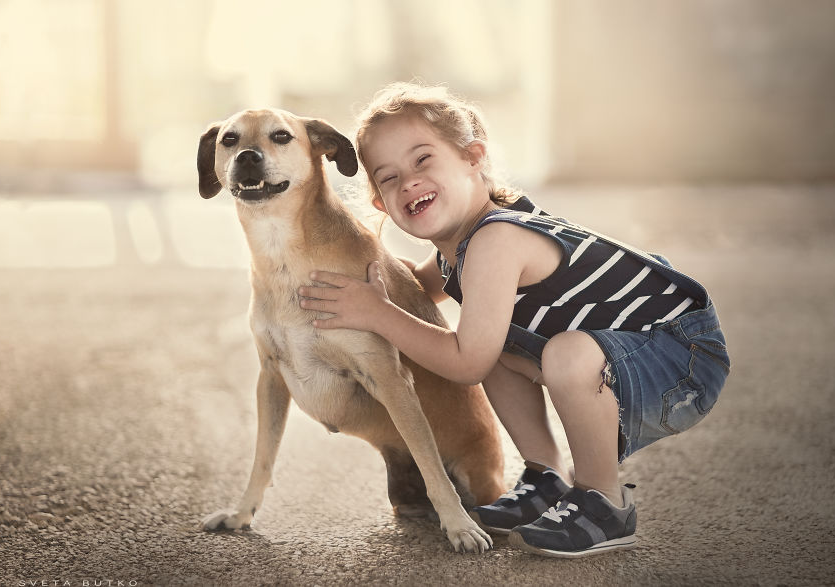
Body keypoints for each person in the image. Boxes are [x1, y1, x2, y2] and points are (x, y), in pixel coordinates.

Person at [298, 82, 730, 558]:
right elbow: (413, 288)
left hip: (679, 358)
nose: (408, 182)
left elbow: (466, 365)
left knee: (550, 353)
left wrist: (376, 313)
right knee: (498, 340)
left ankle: (605, 502)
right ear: (381, 205)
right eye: (389, 177)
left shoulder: (495, 240)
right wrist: (345, 271)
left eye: (423, 160)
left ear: (473, 157)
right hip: (637, 353)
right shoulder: (461, 249)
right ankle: (548, 477)